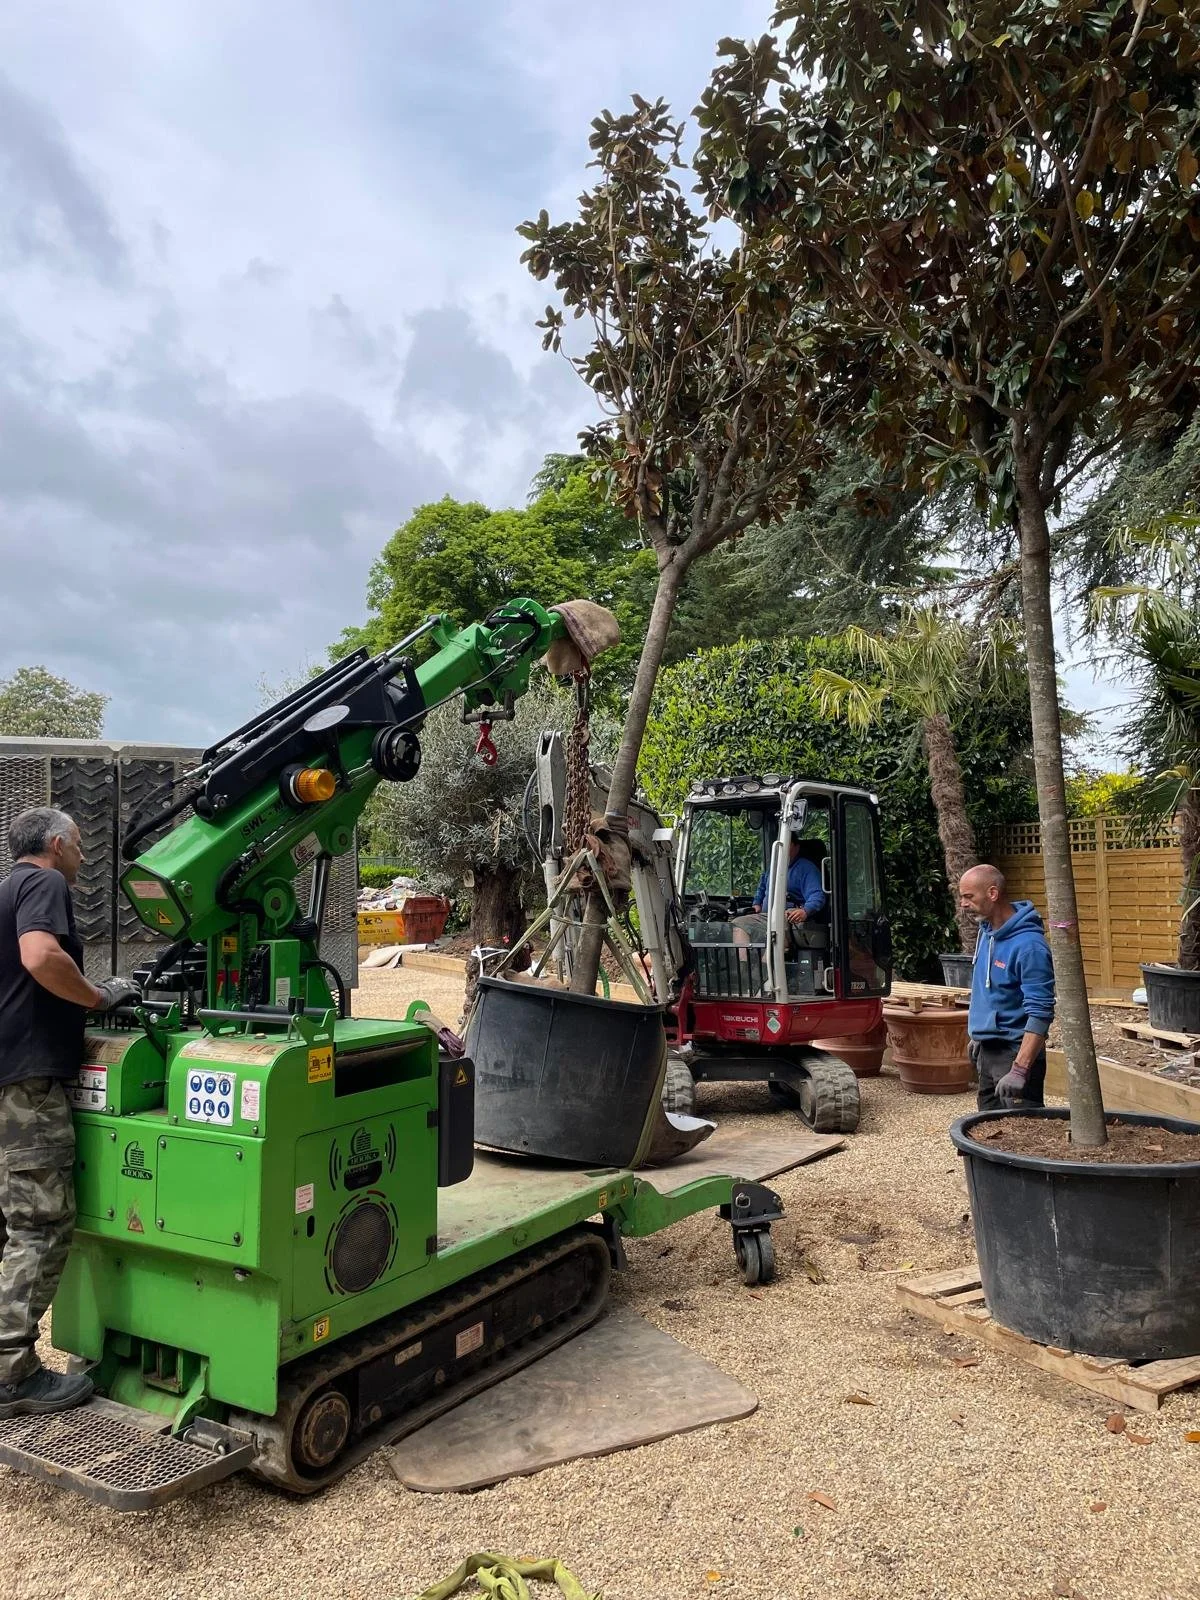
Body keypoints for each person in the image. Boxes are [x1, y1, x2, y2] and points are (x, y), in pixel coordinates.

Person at [0, 807, 138, 1418]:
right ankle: (12, 1374)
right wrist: (97, 994)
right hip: (29, 1085)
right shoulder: (44, 882)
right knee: (41, 1223)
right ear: (56, 845)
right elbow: (40, 958)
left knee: (10, 1224)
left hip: (7, 1080)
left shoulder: (4, 888)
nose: (83, 855)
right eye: (80, 845)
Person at [959, 864, 1055, 1111]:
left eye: (969, 897)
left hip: (1014, 1055)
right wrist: (980, 1033)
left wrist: (1020, 1069)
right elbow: (990, 992)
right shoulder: (986, 933)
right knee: (985, 1135)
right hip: (988, 1051)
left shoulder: (1029, 946)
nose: (963, 904)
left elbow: (1041, 1012)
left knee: (1020, 1140)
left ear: (992, 893)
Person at [732, 835, 827, 950]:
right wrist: (757, 903)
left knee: (776, 925)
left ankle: (768, 964)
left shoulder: (806, 868)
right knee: (738, 923)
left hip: (789, 916)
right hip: (766, 916)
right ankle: (745, 966)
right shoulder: (773, 867)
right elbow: (762, 887)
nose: (782, 850)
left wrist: (805, 911)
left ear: (796, 847)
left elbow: (817, 895)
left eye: (786, 845)